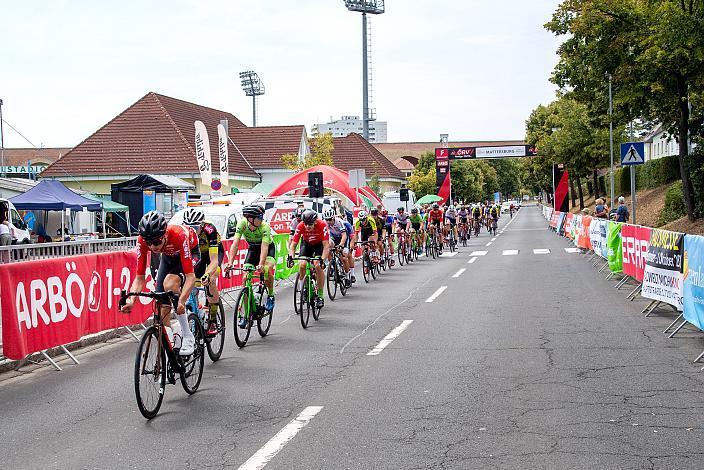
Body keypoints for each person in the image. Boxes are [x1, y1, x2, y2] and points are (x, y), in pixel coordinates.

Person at [121, 211, 198, 355]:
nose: (152, 247)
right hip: (168, 256)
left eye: (156, 242)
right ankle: (172, 349)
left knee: (170, 284)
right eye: (149, 243)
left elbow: (191, 277)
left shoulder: (178, 235)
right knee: (161, 304)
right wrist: (132, 301)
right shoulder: (143, 241)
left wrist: (181, 301)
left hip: (190, 252)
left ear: (165, 235)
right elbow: (139, 278)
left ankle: (188, 335)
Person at [225, 205, 276, 327]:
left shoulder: (265, 227)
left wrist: (261, 264)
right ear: (250, 219)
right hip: (253, 250)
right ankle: (246, 315)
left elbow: (264, 247)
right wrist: (230, 262)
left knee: (267, 270)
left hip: (268, 249)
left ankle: (270, 295)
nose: (262, 219)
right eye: (260, 217)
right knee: (245, 278)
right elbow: (235, 244)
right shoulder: (242, 224)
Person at [183, 208, 224, 336]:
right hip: (197, 256)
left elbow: (213, 261)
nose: (192, 231)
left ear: (201, 224)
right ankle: (196, 311)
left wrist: (207, 274)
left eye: (195, 227)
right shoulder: (183, 233)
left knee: (211, 279)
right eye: (189, 227)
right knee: (191, 282)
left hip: (212, 254)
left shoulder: (210, 230)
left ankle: (212, 320)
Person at [287, 209, 330, 309]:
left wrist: (323, 259)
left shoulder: (322, 224)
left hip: (319, 245)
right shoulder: (300, 225)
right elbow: (293, 245)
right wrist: (290, 257)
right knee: (302, 264)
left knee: (318, 265)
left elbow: (326, 246)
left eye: (310, 224)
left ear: (315, 222)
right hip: (306, 244)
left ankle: (320, 295)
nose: (307, 227)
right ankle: (303, 290)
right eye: (305, 224)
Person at [323, 208, 352, 284]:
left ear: (333, 218)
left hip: (343, 238)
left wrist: (341, 245)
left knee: (344, 258)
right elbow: (326, 236)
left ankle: (347, 276)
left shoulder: (339, 222)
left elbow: (344, 235)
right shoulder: (325, 223)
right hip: (334, 237)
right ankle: (332, 265)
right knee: (328, 247)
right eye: (327, 220)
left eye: (330, 220)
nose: (328, 222)